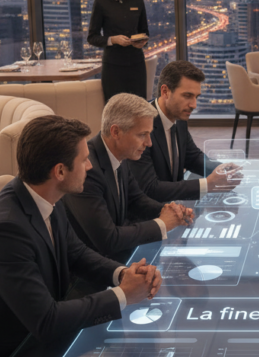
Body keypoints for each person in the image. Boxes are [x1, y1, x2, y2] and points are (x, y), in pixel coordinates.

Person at [0, 115, 162, 357]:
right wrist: (122, 296)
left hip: (34, 340)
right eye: (84, 159)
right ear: (59, 171)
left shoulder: (45, 194)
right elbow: (46, 321)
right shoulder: (5, 231)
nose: (90, 165)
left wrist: (123, 274)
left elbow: (76, 252)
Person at [63, 93, 193, 260]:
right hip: (91, 270)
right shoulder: (88, 170)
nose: (149, 143)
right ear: (116, 132)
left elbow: (136, 200)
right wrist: (162, 224)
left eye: (149, 134)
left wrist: (169, 211)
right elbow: (108, 240)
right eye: (142, 135)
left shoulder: (120, 153)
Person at [132, 60, 240, 202]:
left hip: (174, 206)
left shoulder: (179, 116)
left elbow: (192, 157)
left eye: (196, 97)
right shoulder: (140, 126)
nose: (193, 105)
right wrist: (207, 184)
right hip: (147, 216)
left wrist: (221, 168)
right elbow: (150, 188)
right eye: (187, 96)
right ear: (165, 91)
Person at [87, 0, 150, 101]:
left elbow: (145, 32)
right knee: (115, 111)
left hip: (136, 65)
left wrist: (141, 42)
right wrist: (112, 40)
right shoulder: (101, 2)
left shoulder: (137, 0)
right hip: (113, 66)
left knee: (139, 109)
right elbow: (92, 37)